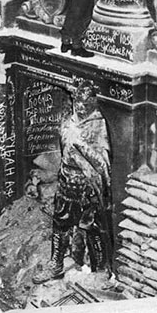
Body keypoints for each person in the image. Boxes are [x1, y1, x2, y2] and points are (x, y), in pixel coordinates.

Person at [33, 78, 113, 284]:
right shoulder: (68, 122)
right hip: (67, 182)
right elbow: (64, 150)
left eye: (85, 104)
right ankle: (56, 263)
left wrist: (81, 146)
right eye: (78, 102)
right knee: (60, 224)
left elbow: (103, 160)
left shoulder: (98, 124)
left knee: (92, 226)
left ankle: (102, 267)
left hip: (87, 185)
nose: (81, 107)